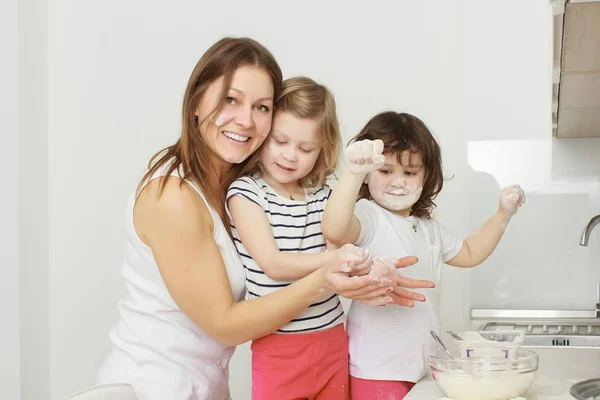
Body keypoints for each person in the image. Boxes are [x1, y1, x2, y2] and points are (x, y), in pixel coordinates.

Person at [97, 38, 432, 400]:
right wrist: (328, 275)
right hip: (153, 387)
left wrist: (370, 270)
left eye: (261, 106)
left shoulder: (229, 186)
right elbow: (225, 323)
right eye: (231, 99)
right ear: (196, 101)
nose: (246, 120)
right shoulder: (173, 198)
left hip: (205, 385)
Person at [322, 111, 526, 400]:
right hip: (376, 369)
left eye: (409, 172)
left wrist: (503, 214)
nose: (398, 182)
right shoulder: (368, 216)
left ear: (426, 175)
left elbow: (469, 252)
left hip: (420, 367)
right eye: (385, 171)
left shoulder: (428, 228)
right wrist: (352, 173)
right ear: (368, 174)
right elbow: (335, 229)